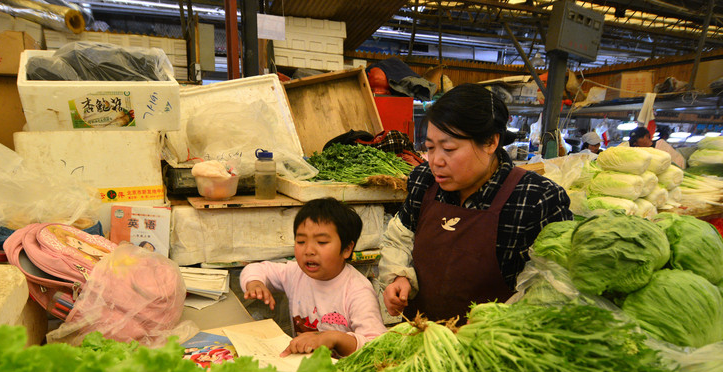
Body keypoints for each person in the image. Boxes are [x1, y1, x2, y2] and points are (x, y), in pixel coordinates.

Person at [379, 83, 573, 324]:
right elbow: (399, 239)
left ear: (491, 142)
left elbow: (551, 289)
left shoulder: (536, 199)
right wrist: (400, 277)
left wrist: (490, 328)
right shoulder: (424, 181)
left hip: (493, 349)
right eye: (429, 147)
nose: (436, 161)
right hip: (421, 339)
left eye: (448, 148)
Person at [241, 197, 386, 357]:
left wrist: (335, 339)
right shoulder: (295, 273)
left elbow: (377, 346)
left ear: (346, 249)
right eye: (301, 241)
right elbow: (257, 269)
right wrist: (255, 283)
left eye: (322, 242)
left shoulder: (358, 292)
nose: (309, 250)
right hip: (305, 367)